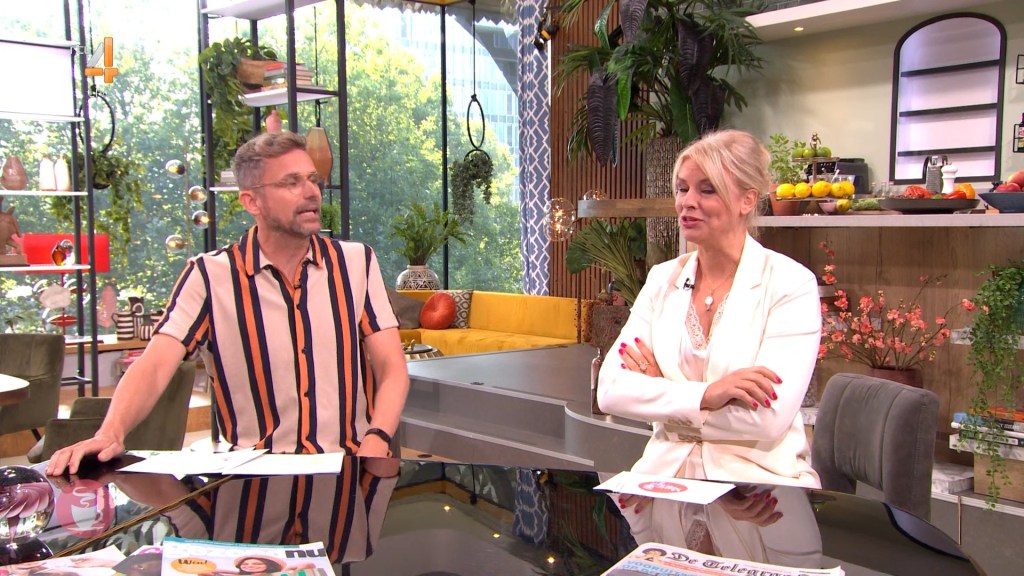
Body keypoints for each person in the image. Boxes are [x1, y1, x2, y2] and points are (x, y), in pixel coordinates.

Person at [46, 131, 409, 475]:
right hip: (255, 481)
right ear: (252, 201)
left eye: (313, 180)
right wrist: (110, 432)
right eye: (291, 182)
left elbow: (391, 367)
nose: (311, 192)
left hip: (348, 471)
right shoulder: (208, 276)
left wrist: (377, 438)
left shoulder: (356, 262)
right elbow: (155, 366)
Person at [598, 129, 821, 488]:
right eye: (682, 188)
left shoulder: (790, 284)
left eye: (707, 190)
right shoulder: (662, 279)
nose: (687, 202)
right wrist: (707, 395)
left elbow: (768, 419)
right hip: (664, 476)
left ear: (747, 200)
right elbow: (610, 390)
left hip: (757, 485)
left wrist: (662, 394)